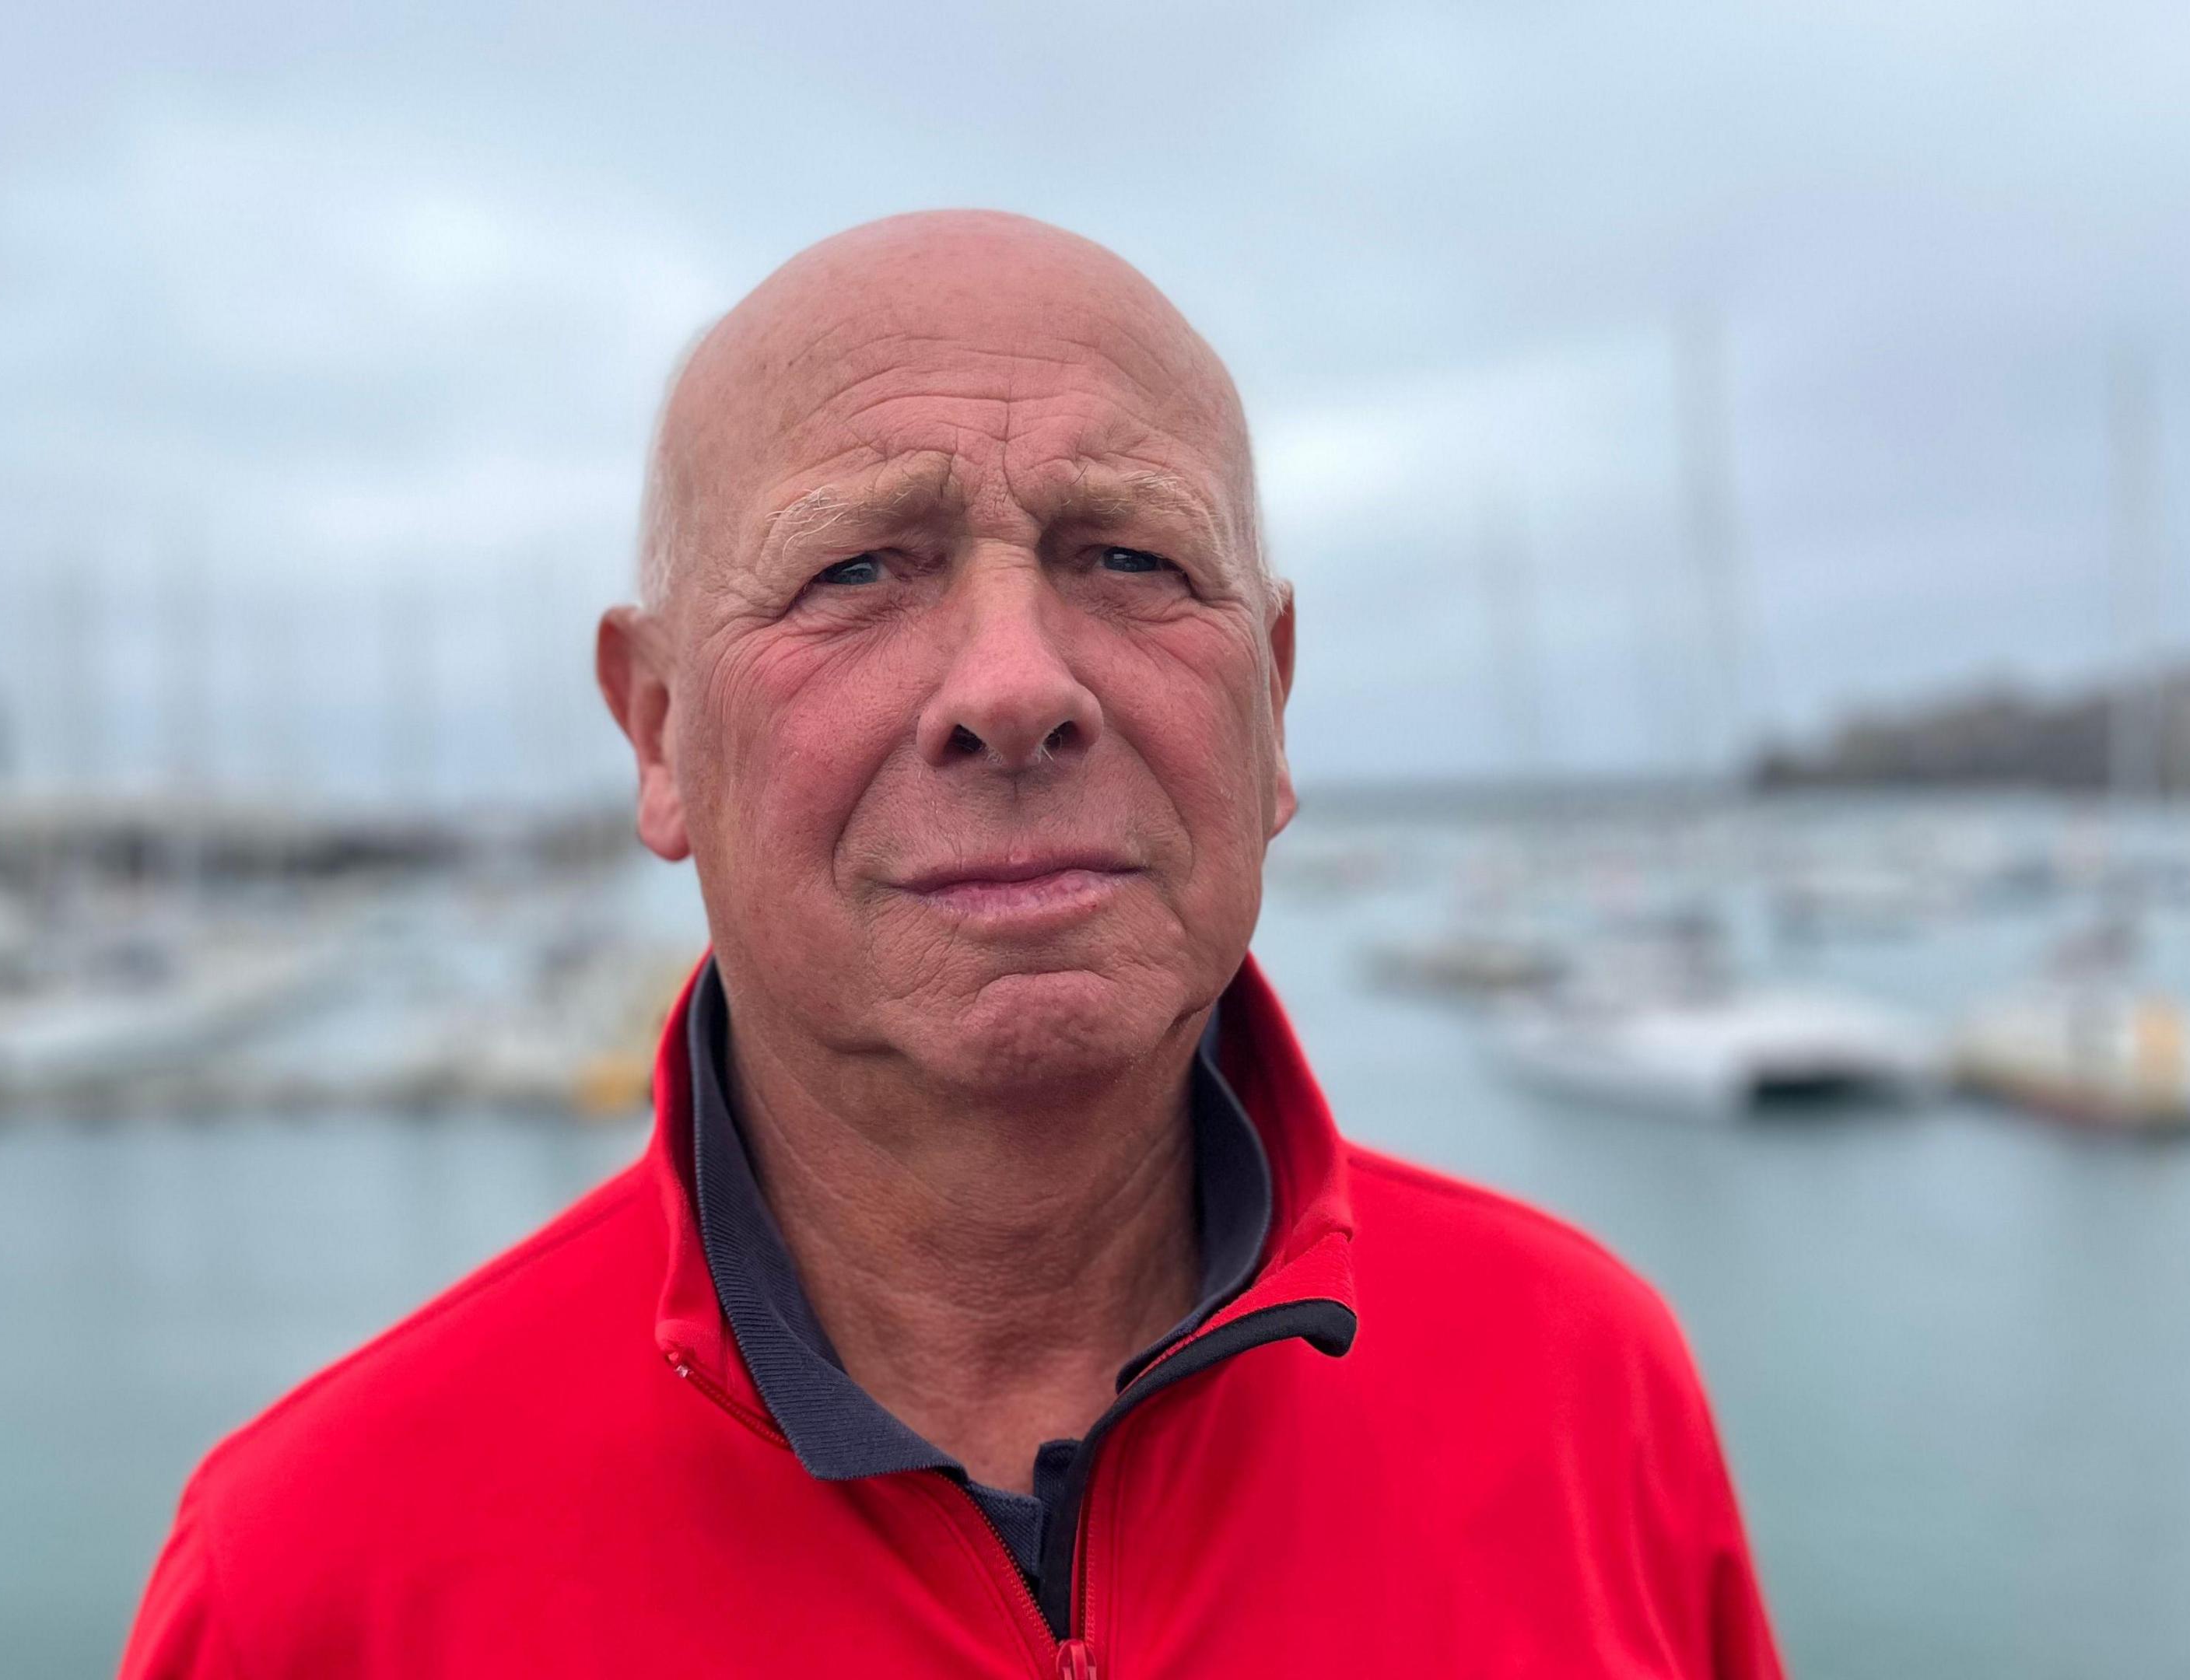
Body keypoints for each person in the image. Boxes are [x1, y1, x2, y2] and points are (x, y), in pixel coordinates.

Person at [120, 210, 1782, 1678]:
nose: (1014, 686)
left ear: (1271, 702)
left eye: (1128, 556)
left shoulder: (1587, 1396)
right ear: (658, 733)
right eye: (857, 571)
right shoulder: (311, 1586)